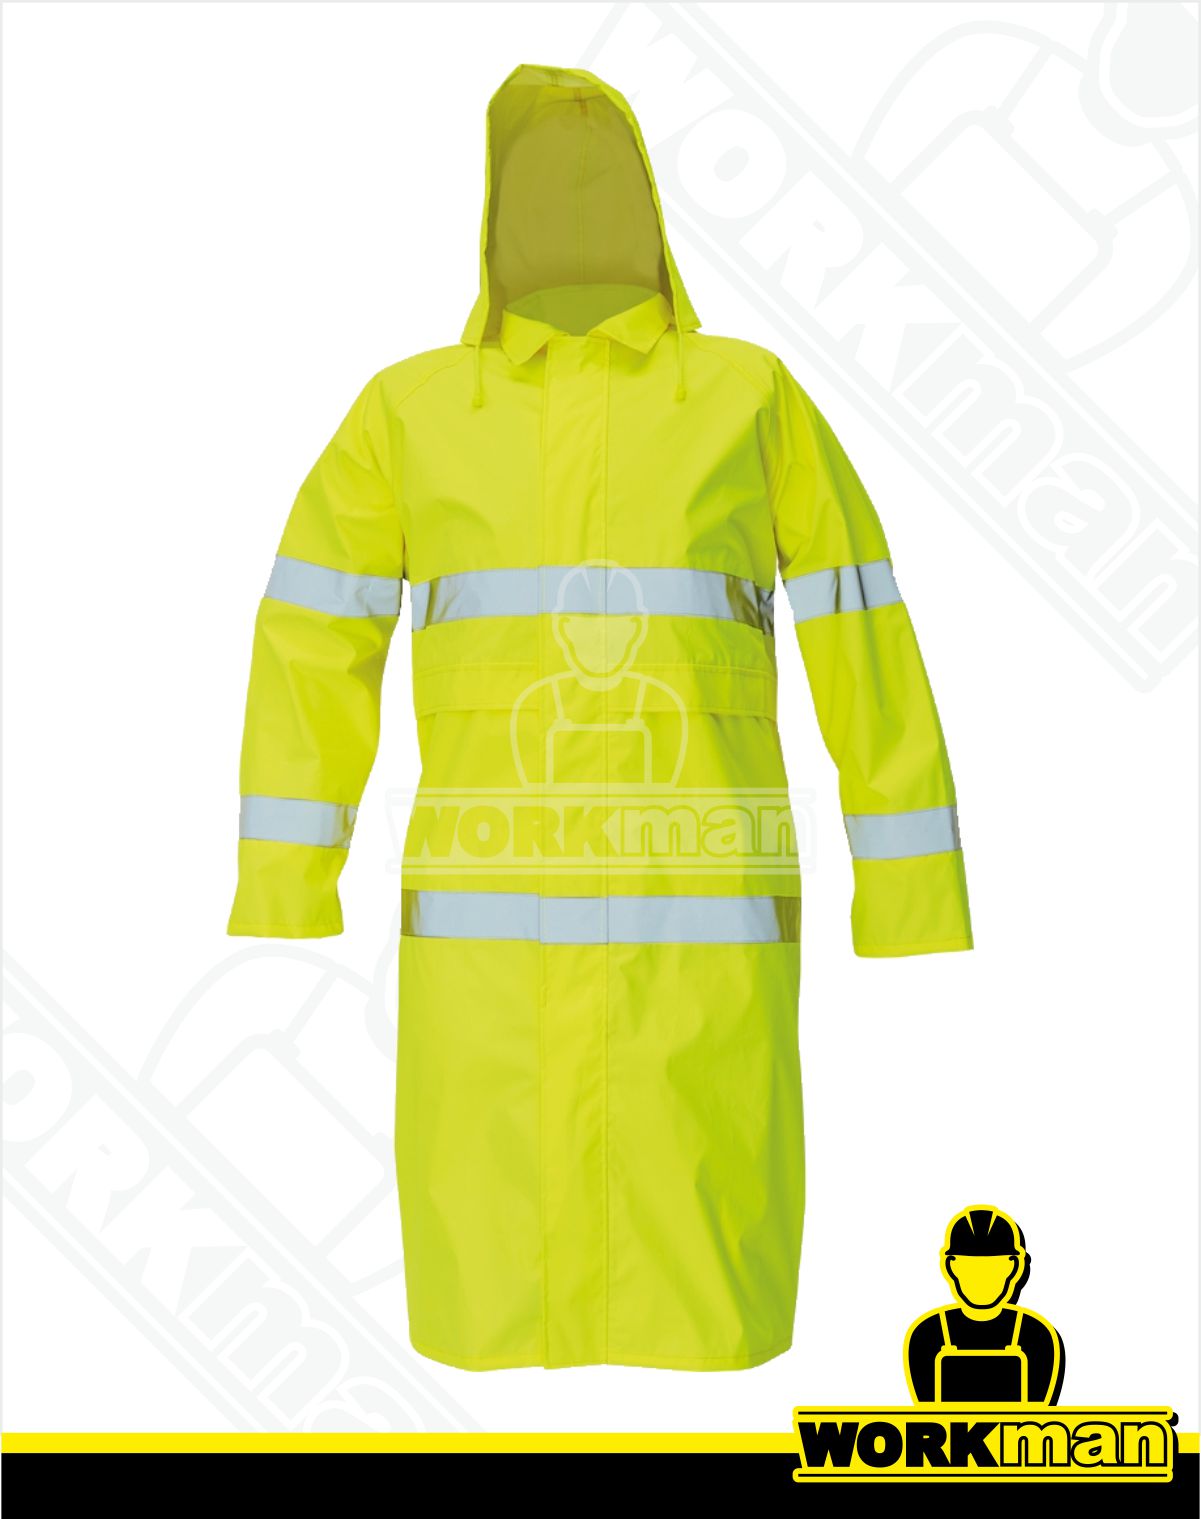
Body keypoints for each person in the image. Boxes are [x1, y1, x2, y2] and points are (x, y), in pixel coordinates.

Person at [905, 1206, 1065, 1404]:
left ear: (1014, 1266)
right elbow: (928, 1415)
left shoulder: (1036, 1335)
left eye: (994, 1267)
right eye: (969, 1266)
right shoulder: (927, 1334)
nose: (982, 1277)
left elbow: (1037, 1416)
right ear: (950, 1265)